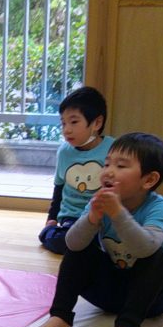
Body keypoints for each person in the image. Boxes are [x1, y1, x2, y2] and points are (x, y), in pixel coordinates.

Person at [29, 132, 163, 327]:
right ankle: (60, 316)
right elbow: (72, 244)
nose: (109, 171)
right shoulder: (99, 201)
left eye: (121, 166)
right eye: (107, 163)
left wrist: (118, 213)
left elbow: (145, 248)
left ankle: (126, 326)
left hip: (153, 298)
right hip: (111, 291)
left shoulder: (159, 207)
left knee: (157, 257)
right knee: (80, 247)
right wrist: (92, 218)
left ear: (149, 180)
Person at [39, 86, 113, 255]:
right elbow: (59, 187)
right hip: (73, 218)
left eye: (74, 122)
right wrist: (51, 218)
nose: (66, 129)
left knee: (107, 242)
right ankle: (49, 233)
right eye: (63, 123)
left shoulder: (113, 149)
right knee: (70, 242)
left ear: (97, 123)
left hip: (104, 216)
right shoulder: (64, 152)